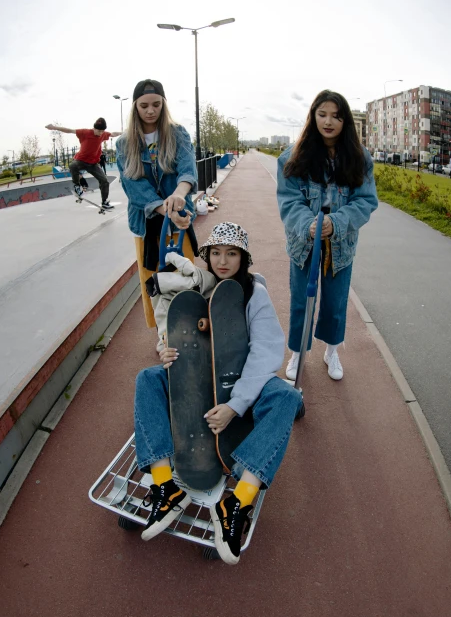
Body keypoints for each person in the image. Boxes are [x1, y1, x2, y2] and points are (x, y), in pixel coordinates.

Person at [133, 222, 304, 565]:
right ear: (207, 256)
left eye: (231, 254)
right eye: (215, 253)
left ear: (243, 258)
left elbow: (267, 351)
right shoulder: (198, 290)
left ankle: (239, 499)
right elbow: (180, 341)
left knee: (287, 397)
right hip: (200, 382)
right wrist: (167, 352)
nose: (223, 260)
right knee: (148, 379)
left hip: (245, 384)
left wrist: (235, 404)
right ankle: (167, 485)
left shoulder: (254, 292)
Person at [276, 90, 378, 383]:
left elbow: (366, 201)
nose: (329, 121)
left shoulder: (359, 158)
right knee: (300, 300)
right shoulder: (292, 157)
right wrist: (308, 224)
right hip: (303, 243)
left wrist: (337, 221)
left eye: (336, 115)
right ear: (313, 117)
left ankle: (332, 350)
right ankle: (297, 352)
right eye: (322, 114)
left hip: (340, 245)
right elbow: (288, 200)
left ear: (345, 120)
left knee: (335, 301)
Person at [115, 79, 198, 337]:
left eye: (156, 104)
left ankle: (189, 328)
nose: (150, 111)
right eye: (144, 106)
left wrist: (179, 195)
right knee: (152, 278)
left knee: (185, 274)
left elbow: (188, 169)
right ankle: (164, 334)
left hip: (178, 217)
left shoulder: (177, 133)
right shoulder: (124, 143)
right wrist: (165, 208)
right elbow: (133, 186)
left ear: (163, 104)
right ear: (135, 107)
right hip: (147, 220)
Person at [45, 118, 120, 210]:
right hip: (81, 161)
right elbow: (69, 130)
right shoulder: (84, 132)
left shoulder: (103, 134)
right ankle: (77, 186)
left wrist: (123, 133)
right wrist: (54, 127)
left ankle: (104, 202)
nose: (100, 133)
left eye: (102, 131)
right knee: (73, 166)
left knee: (104, 181)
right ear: (94, 128)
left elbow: (113, 134)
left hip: (93, 164)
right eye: (99, 131)